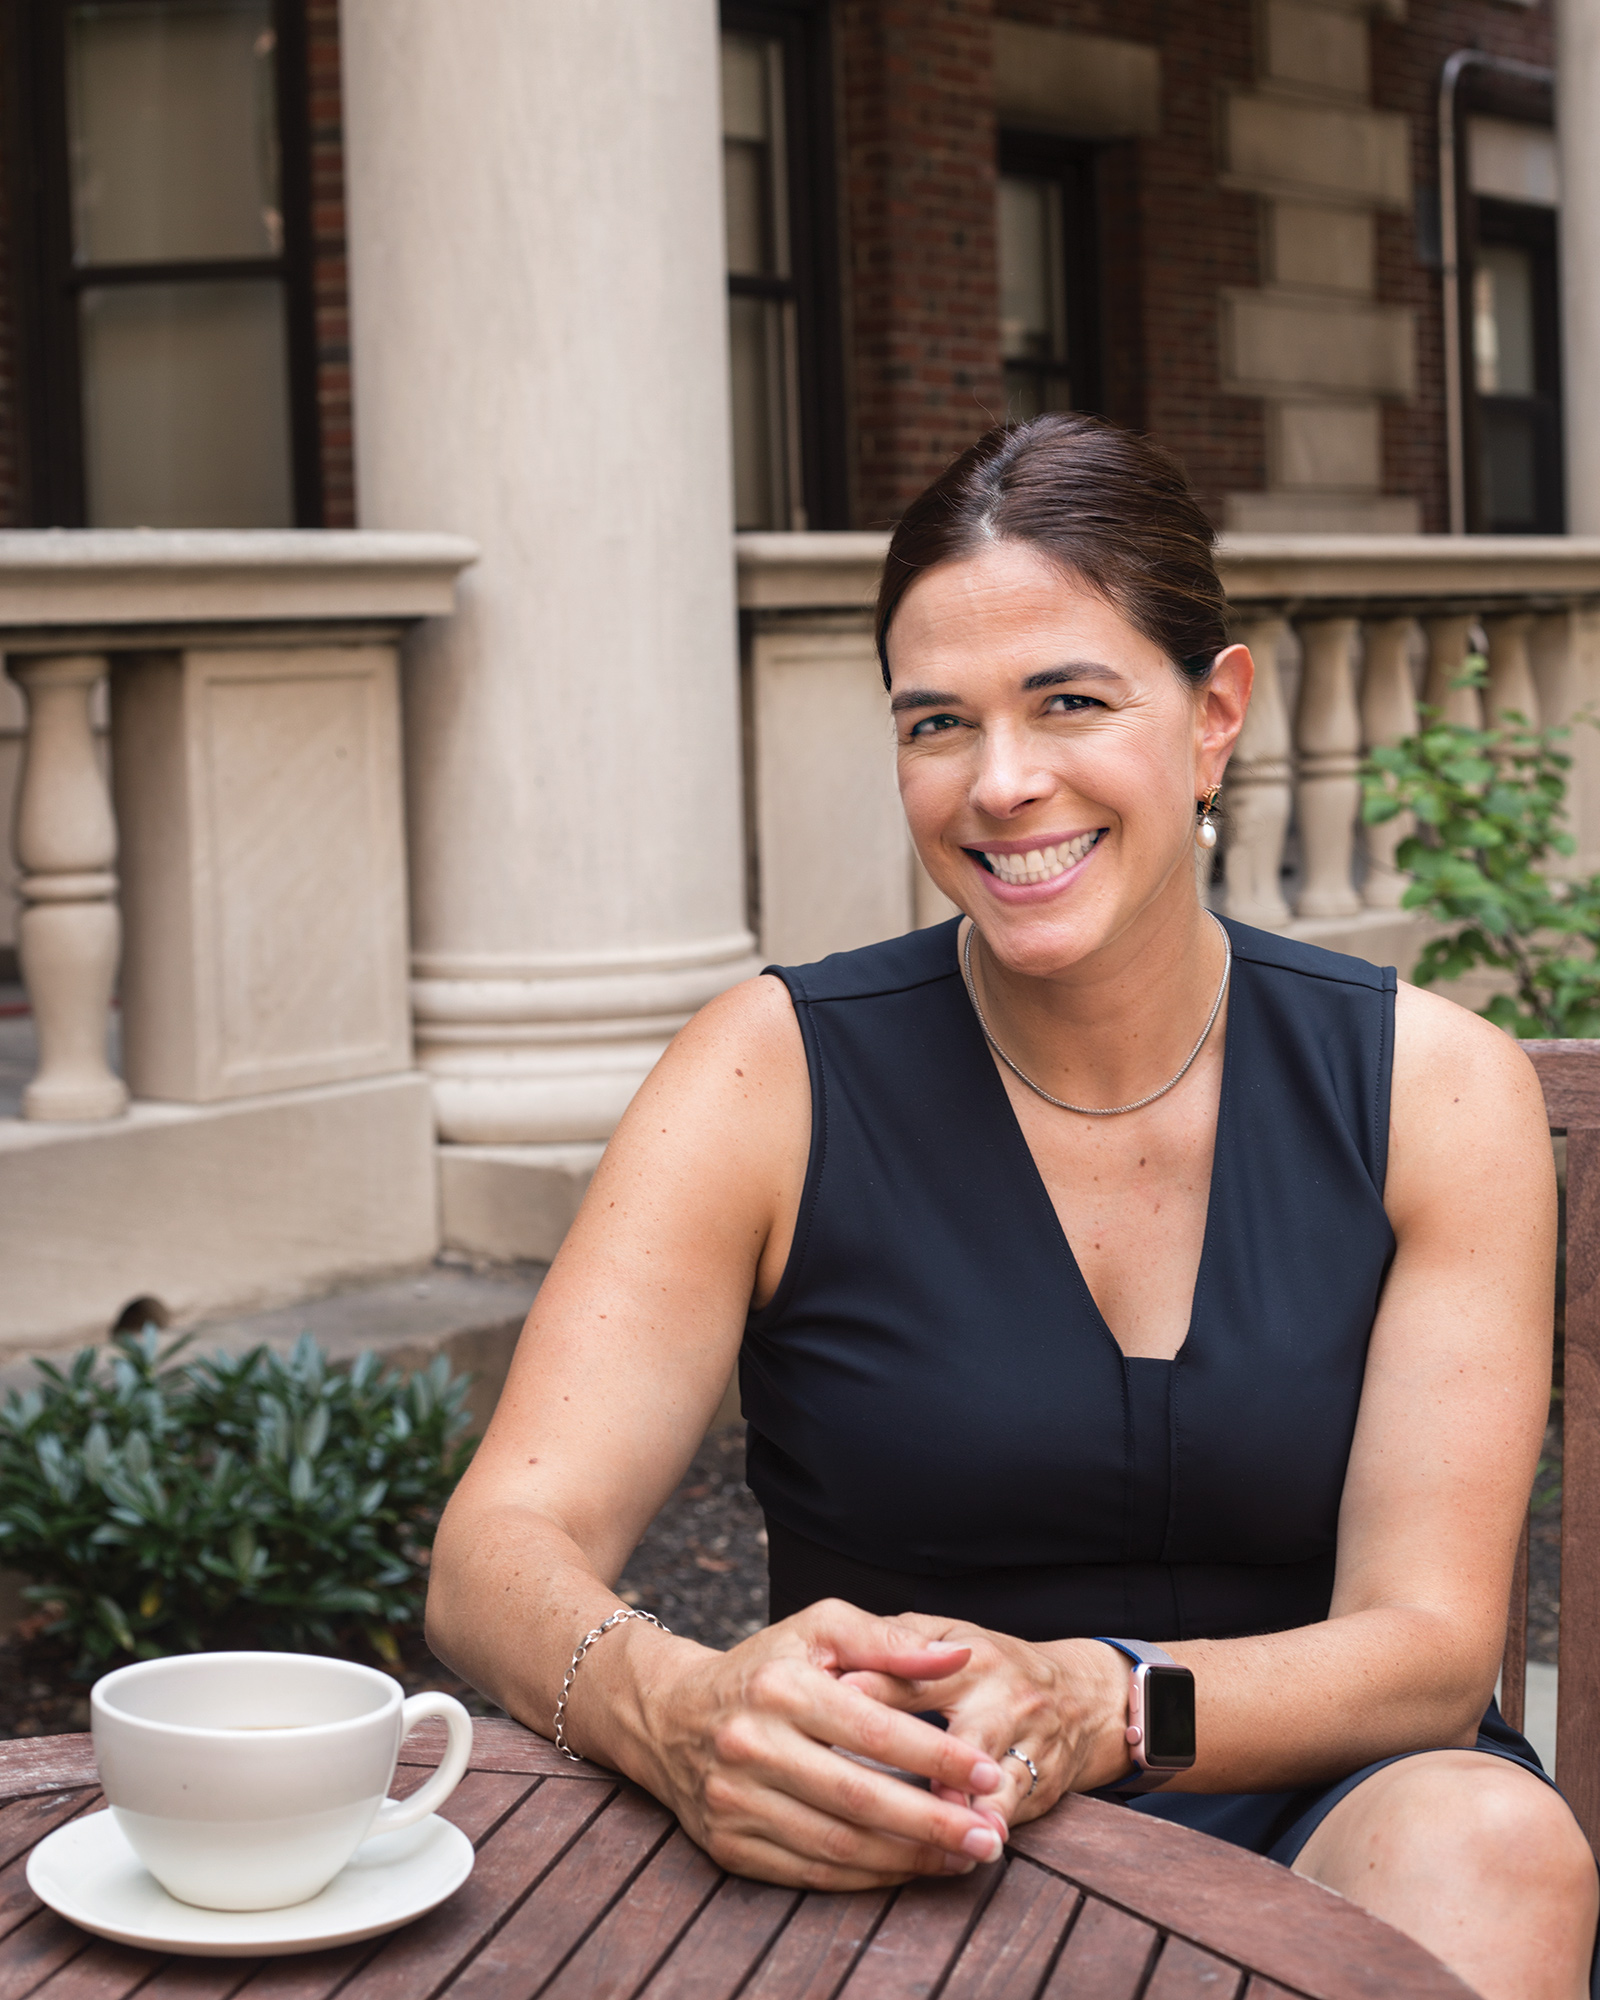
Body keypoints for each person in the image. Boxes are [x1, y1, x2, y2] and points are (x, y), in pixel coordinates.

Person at [428, 414, 1597, 2000]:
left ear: (1215, 715)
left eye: (1070, 701)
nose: (1001, 784)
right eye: (936, 724)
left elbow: (1430, 1645)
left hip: (1337, 1823)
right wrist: (675, 1705)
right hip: (901, 1843)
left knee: (1495, 1845)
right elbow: (500, 1546)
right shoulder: (768, 1074)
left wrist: (1102, 1703)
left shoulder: (1430, 1089)